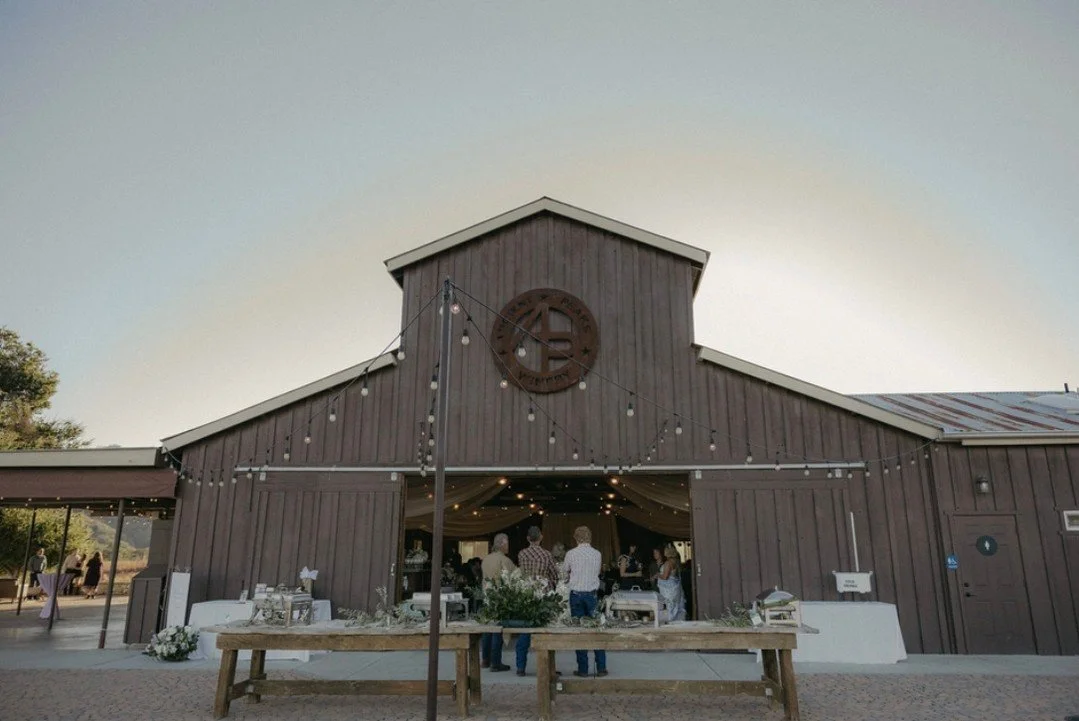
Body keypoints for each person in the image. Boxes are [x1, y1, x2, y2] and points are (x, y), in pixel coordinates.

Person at [514, 526, 560, 676]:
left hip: (526, 595)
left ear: (528, 538)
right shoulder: (546, 555)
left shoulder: (521, 554)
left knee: (524, 633)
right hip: (543, 596)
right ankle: (548, 668)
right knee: (546, 632)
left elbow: (522, 573)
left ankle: (521, 668)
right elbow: (554, 574)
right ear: (541, 537)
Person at [563, 525, 607, 677]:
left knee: (579, 632)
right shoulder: (597, 554)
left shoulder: (571, 554)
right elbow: (598, 572)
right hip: (592, 595)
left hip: (576, 595)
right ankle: (601, 667)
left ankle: (583, 669)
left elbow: (564, 572)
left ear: (576, 538)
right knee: (597, 630)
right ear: (590, 537)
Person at [479, 533, 516, 672]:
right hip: (500, 599)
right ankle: (495, 663)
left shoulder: (485, 559)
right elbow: (515, 577)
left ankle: (485, 660)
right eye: (507, 544)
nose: (508, 546)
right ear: (502, 544)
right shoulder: (505, 560)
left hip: (487, 597)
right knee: (497, 630)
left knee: (487, 630)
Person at [652, 545, 686, 622]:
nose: (664, 552)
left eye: (665, 550)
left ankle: (670, 620)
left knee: (669, 604)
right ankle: (677, 621)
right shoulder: (676, 561)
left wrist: (658, 575)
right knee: (676, 604)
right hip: (675, 586)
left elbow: (665, 577)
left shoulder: (668, 563)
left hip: (669, 588)